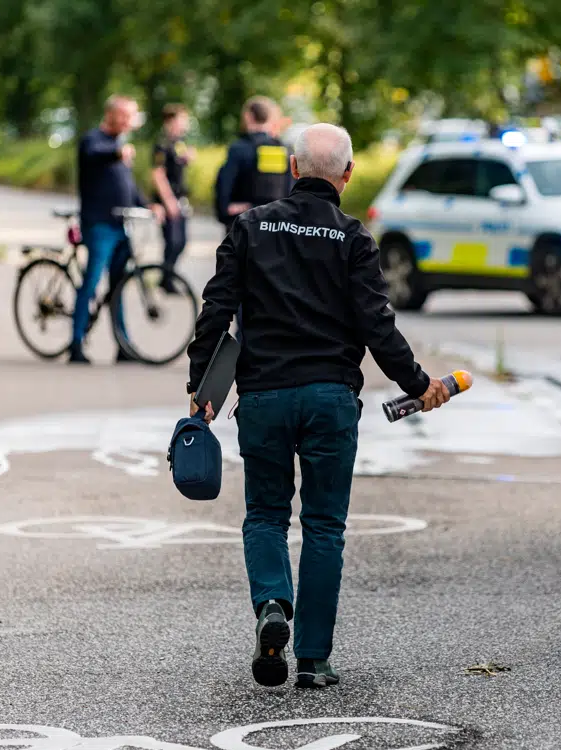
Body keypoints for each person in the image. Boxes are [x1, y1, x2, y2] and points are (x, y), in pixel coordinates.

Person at [185, 123, 451, 689]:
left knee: (265, 514)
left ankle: (271, 604)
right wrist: (419, 383)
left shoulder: (250, 226)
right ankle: (312, 659)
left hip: (263, 396)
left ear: (293, 167)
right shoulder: (354, 238)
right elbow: (378, 327)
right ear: (348, 174)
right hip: (330, 398)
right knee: (324, 526)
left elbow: (216, 310)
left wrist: (202, 389)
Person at [70, 95, 162, 365]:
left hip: (122, 225)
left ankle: (123, 345)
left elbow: (128, 186)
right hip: (99, 225)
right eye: (125, 116)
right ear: (111, 114)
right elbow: (93, 155)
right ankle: (75, 343)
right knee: (92, 282)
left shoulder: (120, 144)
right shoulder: (95, 140)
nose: (128, 122)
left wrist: (147, 205)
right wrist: (117, 154)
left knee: (118, 286)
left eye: (131, 117)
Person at [213, 97, 291, 228]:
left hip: (243, 221)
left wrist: (224, 209)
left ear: (248, 116)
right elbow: (291, 188)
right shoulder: (285, 150)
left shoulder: (239, 148)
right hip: (276, 223)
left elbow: (224, 184)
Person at [152, 104, 195, 274]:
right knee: (173, 242)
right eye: (182, 119)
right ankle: (166, 277)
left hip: (180, 198)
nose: (185, 123)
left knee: (181, 242)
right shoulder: (162, 143)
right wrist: (169, 201)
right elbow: (158, 174)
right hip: (168, 200)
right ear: (170, 121)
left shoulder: (180, 143)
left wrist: (186, 159)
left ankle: (167, 276)